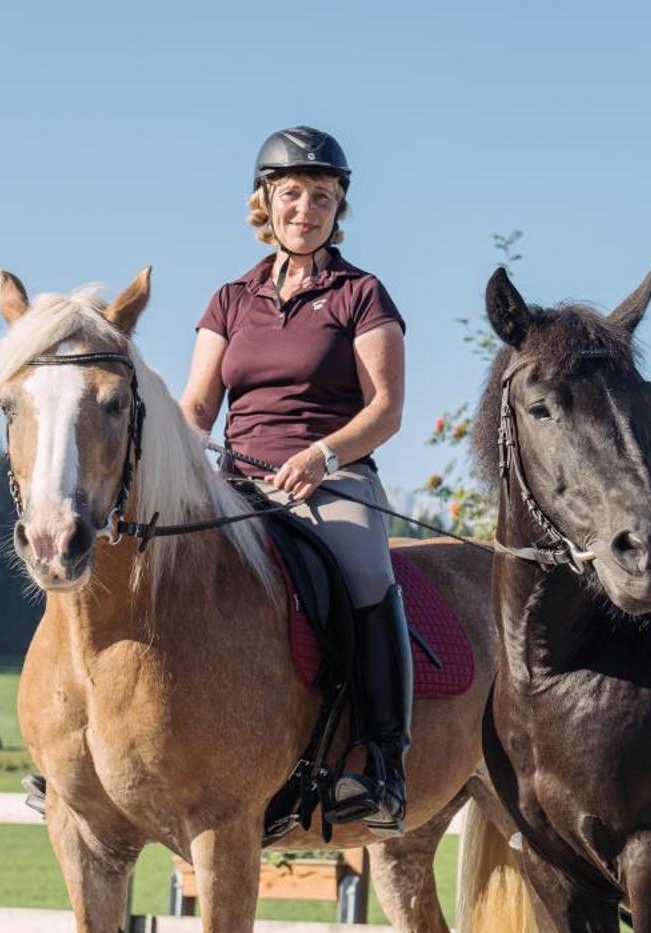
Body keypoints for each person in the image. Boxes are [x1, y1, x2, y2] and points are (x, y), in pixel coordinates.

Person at [178, 126, 412, 831]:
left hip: (330, 483)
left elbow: (387, 409)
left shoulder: (361, 294)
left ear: (339, 207)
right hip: (237, 485)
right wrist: (177, 457)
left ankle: (384, 762)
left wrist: (323, 457)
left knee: (367, 575)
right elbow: (196, 406)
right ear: (265, 203)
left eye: (321, 197)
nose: (304, 209)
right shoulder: (229, 300)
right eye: (290, 195)